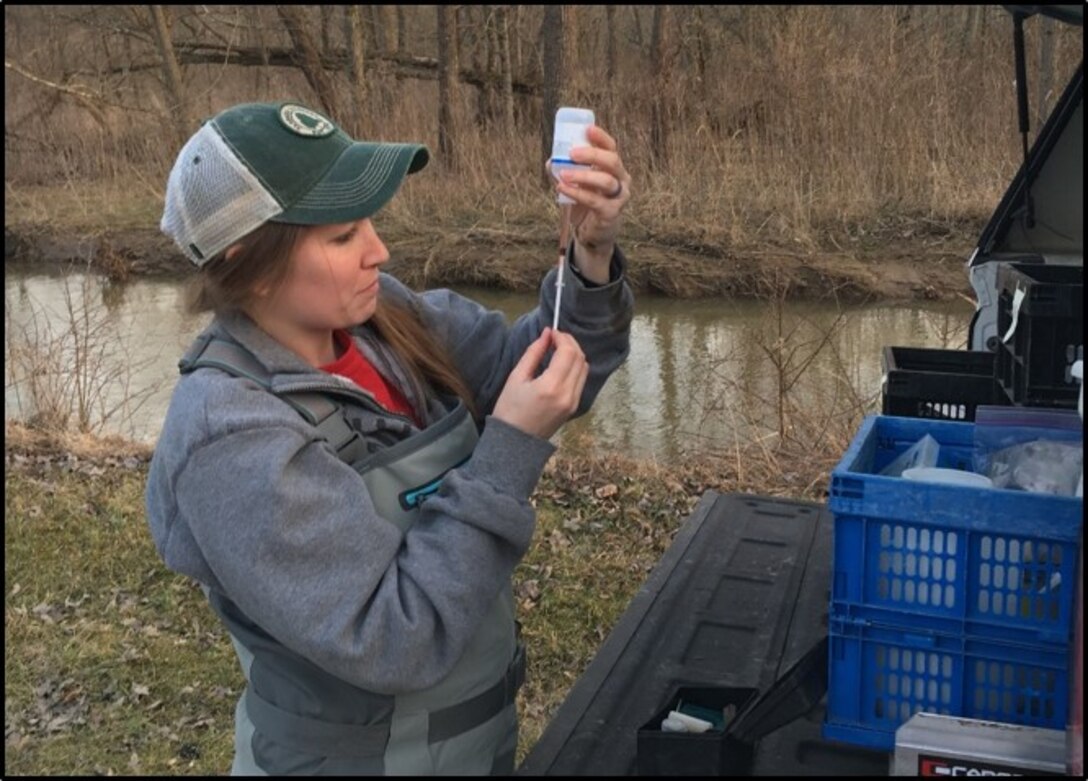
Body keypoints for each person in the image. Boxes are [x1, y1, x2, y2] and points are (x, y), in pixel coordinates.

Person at [145, 100, 633, 775]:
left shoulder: (382, 318)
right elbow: (394, 637)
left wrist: (590, 253)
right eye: (344, 237)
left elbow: (544, 365)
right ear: (251, 265)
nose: (379, 249)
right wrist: (510, 447)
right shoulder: (230, 435)